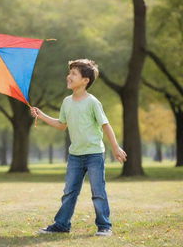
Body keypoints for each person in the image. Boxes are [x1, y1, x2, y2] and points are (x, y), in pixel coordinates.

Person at [30, 59, 127, 236]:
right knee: (69, 192)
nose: (69, 76)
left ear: (85, 80)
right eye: (70, 73)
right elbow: (61, 125)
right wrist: (41, 115)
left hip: (94, 154)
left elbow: (105, 125)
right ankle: (61, 225)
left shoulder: (92, 102)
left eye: (74, 74)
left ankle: (104, 226)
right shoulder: (67, 102)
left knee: (98, 192)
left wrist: (115, 147)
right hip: (75, 155)